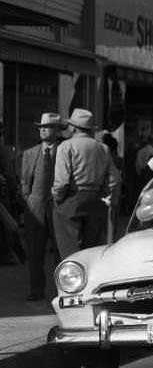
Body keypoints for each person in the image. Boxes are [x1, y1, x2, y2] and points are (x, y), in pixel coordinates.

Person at [51, 108, 112, 258]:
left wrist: (57, 198)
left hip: (72, 198)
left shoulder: (66, 146)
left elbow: (62, 181)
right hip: (95, 199)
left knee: (70, 250)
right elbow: (112, 179)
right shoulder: (103, 148)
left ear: (73, 127)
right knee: (92, 250)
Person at [18, 113, 66, 300]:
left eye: (47, 126)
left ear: (57, 130)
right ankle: (36, 290)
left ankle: (63, 290)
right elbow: (24, 182)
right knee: (34, 252)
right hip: (35, 207)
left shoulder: (64, 150)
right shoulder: (30, 153)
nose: (42, 129)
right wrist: (28, 200)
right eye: (41, 127)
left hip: (58, 207)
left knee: (60, 252)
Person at [0, 118, 23, 264]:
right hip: (2, 192)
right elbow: (9, 173)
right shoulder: (2, 150)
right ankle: (9, 254)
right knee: (6, 224)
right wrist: (14, 190)